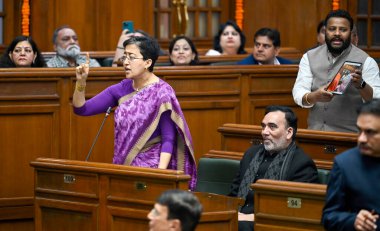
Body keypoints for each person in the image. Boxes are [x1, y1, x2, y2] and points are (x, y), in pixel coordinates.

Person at [72, 36, 197, 190]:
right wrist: (81, 82)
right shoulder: (120, 89)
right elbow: (82, 109)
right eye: (125, 56)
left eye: (131, 57)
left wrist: (160, 174)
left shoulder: (162, 92)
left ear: (147, 62)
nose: (125, 62)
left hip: (150, 168)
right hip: (122, 166)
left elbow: (168, 138)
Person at [229, 105, 319, 231]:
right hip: (238, 218)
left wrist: (251, 218)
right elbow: (233, 194)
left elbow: (296, 210)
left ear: (289, 132)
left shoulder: (301, 164)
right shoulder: (251, 154)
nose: (264, 132)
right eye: (263, 126)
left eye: (272, 127)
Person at [292, 9, 380, 133]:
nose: (337, 33)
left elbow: (376, 101)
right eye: (332, 29)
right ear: (325, 31)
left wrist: (362, 85)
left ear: (350, 33)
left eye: (343, 30)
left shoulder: (367, 61)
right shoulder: (309, 57)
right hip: (315, 134)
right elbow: (299, 92)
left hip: (350, 137)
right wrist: (315, 96)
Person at [322, 99, 380, 231]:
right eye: (359, 130)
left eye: (370, 132)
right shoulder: (345, 164)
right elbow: (329, 217)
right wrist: (353, 221)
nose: (361, 139)